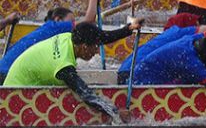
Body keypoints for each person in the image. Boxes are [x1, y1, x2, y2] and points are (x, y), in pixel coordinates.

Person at [3, 18, 143, 123]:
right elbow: (86, 95)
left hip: (21, 87)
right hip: (15, 96)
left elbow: (102, 37)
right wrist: (116, 112)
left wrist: (129, 29)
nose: (96, 52)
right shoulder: (64, 65)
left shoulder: (69, 38)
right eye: (95, 47)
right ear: (84, 47)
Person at [0, 0, 125, 83]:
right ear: (58, 19)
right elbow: (88, 22)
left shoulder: (49, 30)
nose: (74, 25)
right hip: (9, 74)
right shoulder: (56, 27)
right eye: (72, 21)